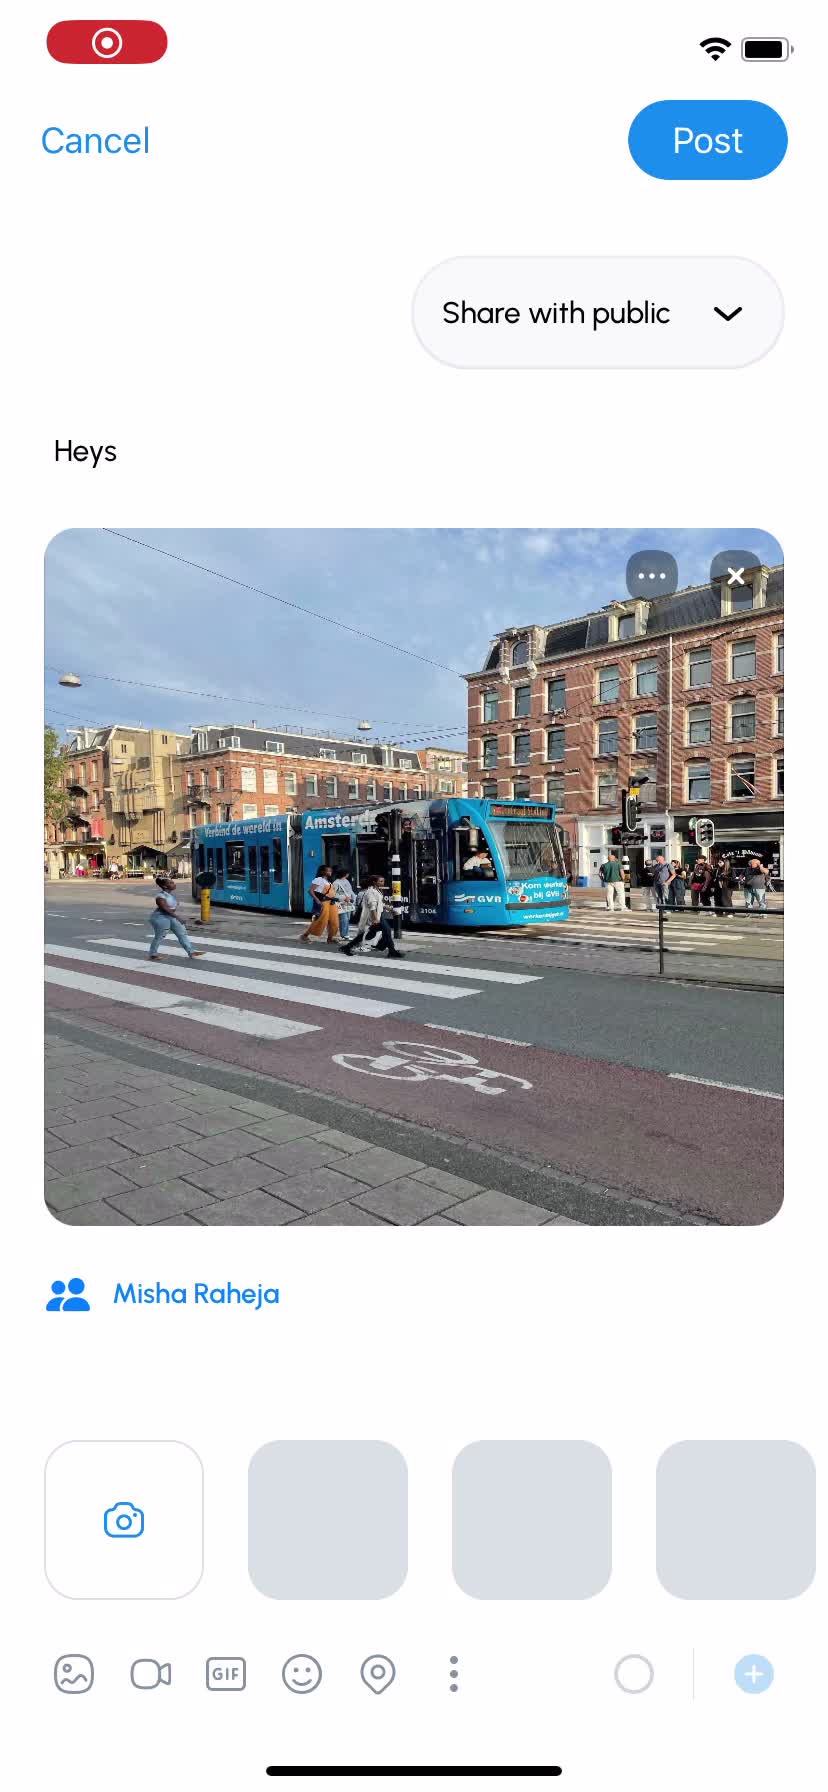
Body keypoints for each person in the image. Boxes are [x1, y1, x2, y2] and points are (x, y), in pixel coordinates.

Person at [341, 876, 405, 958]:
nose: (383, 883)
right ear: (374, 882)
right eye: (380, 881)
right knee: (387, 930)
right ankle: (389, 950)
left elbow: (380, 904)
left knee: (368, 933)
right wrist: (375, 919)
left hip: (377, 915)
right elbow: (372, 906)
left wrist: (390, 909)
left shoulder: (377, 890)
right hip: (373, 916)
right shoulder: (371, 892)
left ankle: (347, 947)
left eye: (383, 881)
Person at [147, 875, 205, 961]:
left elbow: (171, 908)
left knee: (182, 933)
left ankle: (191, 951)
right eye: (171, 883)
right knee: (160, 936)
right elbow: (165, 908)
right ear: (165, 886)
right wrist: (178, 917)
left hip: (170, 917)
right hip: (160, 918)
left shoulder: (169, 895)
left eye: (173, 882)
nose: (174, 884)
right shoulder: (160, 896)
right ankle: (153, 954)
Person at [300, 868, 341, 943]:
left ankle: (330, 938)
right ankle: (304, 935)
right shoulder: (319, 879)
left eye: (331, 871)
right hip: (324, 902)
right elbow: (310, 891)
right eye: (328, 871)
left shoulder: (329, 881)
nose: (330, 872)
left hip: (331, 903)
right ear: (322, 872)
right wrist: (317, 900)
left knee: (334, 921)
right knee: (321, 920)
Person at [332, 869, 356, 940]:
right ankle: (343, 935)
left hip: (348, 903)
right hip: (341, 903)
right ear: (345, 874)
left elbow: (350, 891)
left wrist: (353, 898)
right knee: (344, 919)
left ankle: (346, 935)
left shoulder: (346, 881)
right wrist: (344, 898)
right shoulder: (336, 883)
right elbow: (334, 894)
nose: (348, 875)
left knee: (347, 919)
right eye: (347, 873)